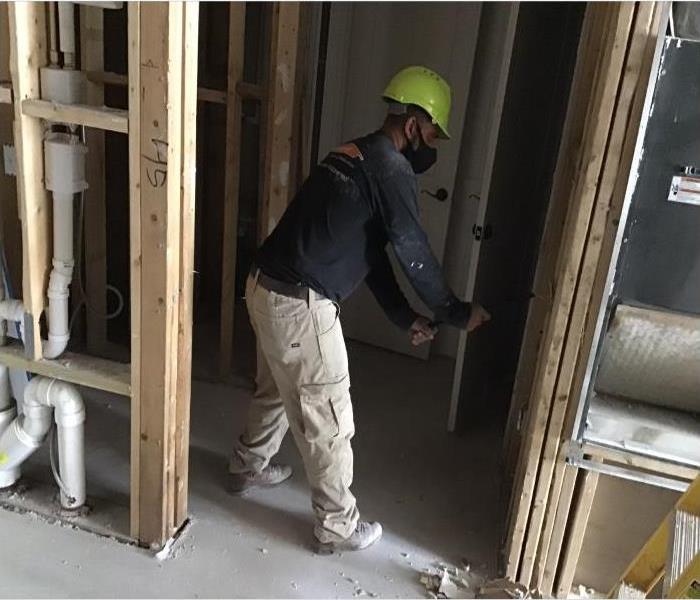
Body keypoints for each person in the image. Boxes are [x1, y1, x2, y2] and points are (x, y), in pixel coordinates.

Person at [227, 65, 491, 554]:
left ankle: (248, 466)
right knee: (328, 414)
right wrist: (455, 312)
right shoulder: (391, 169)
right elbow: (413, 253)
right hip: (300, 303)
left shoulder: (352, 154)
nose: (435, 144)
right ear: (413, 124)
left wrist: (404, 318)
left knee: (277, 389)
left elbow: (370, 253)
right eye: (433, 131)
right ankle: (337, 526)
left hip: (263, 287)